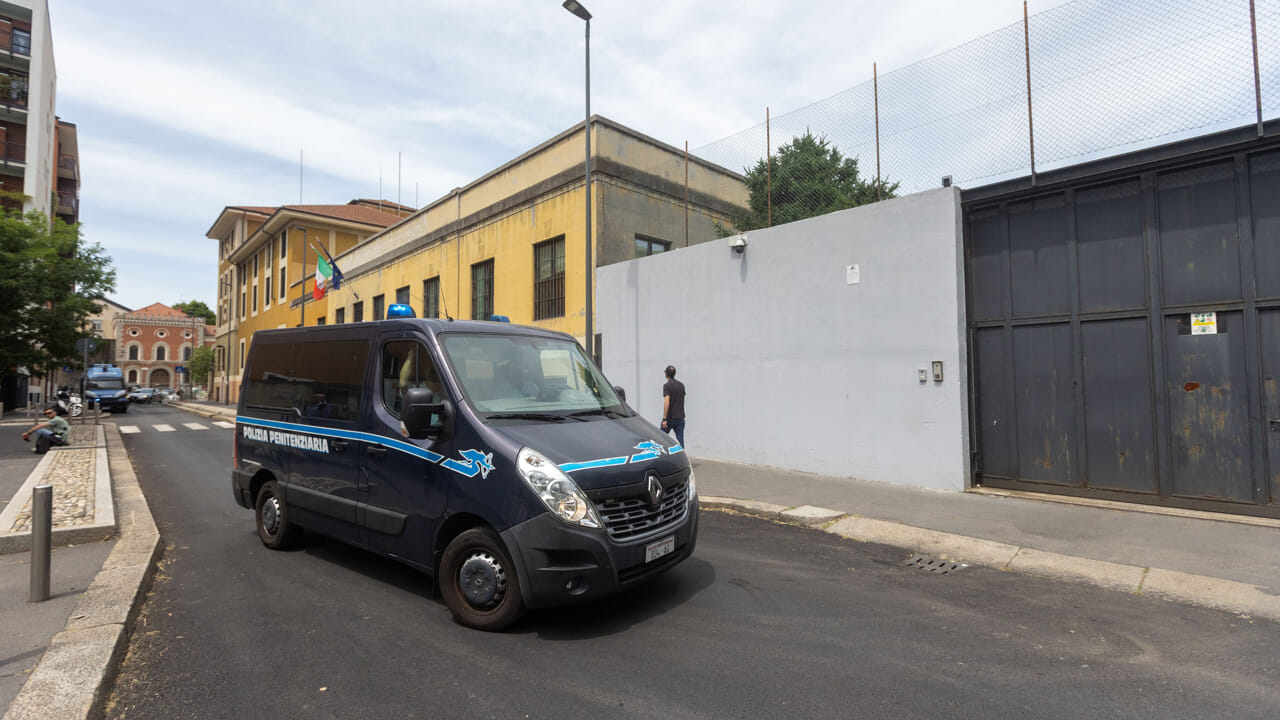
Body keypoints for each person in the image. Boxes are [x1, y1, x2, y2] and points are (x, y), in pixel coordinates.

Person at [661, 365, 686, 447]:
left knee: (660, 438)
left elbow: (667, 402)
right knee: (680, 440)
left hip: (670, 418)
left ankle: (662, 458)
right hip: (680, 418)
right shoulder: (681, 385)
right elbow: (683, 400)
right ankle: (682, 457)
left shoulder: (667, 385)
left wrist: (665, 419)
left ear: (666, 373)